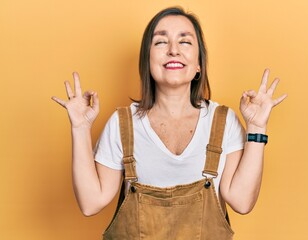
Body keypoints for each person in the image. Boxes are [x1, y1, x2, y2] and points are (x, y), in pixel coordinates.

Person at [52, 6, 287, 240]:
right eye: (161, 42)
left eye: (184, 42)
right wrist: (80, 128)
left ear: (198, 65)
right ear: (148, 60)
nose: (173, 50)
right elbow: (91, 203)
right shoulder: (122, 125)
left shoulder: (223, 122)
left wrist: (256, 128)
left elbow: (242, 202)